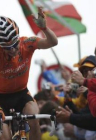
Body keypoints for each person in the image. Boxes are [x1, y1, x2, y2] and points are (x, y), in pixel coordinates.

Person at [0, 7, 58, 140]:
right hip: (1, 98)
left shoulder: (26, 43)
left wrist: (44, 29)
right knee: (5, 136)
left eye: (15, 43)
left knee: (34, 119)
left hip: (22, 93)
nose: (14, 49)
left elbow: (53, 42)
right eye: (8, 48)